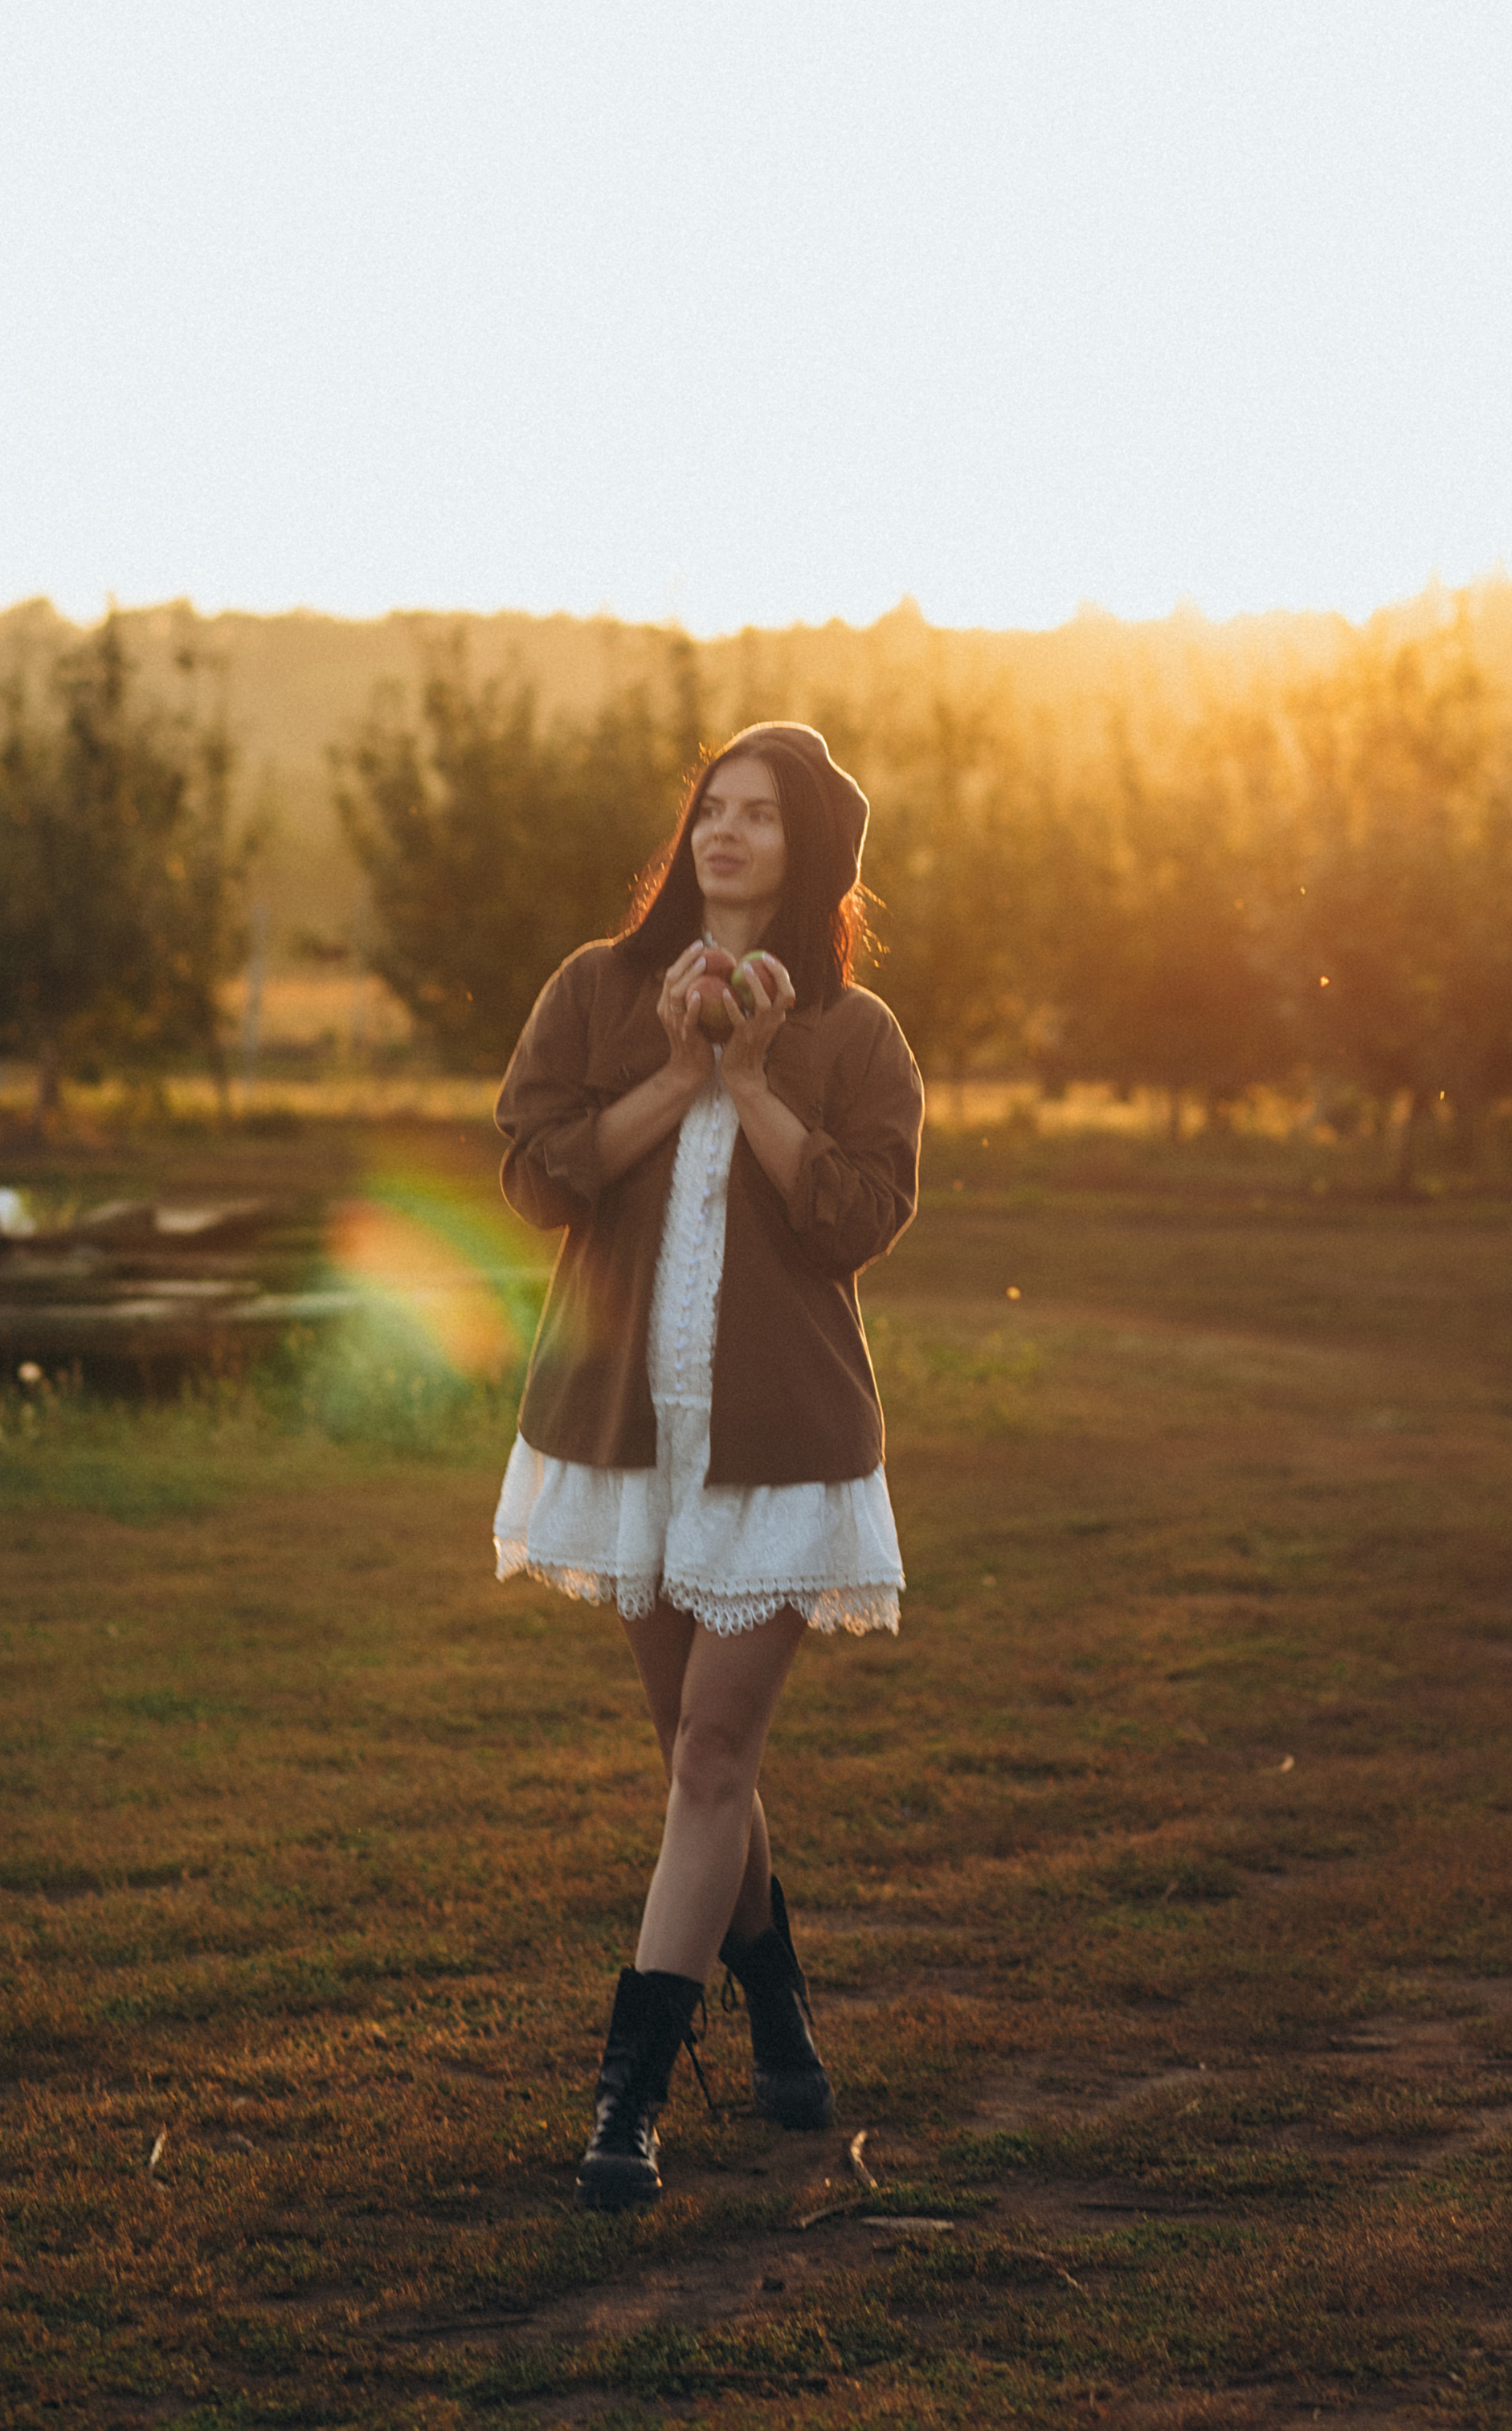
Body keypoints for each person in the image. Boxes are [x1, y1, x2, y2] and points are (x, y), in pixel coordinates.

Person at [492, 722, 923, 2209]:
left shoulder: (858, 1037)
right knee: (693, 1756)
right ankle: (783, 2010)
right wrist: (678, 1071)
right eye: (712, 809)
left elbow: (855, 1216)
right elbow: (538, 1175)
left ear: (810, 853)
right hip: (630, 1429)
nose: (725, 835)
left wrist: (752, 1080)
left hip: (781, 1451)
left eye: (759, 816)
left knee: (714, 1759)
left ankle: (628, 2094)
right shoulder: (599, 988)